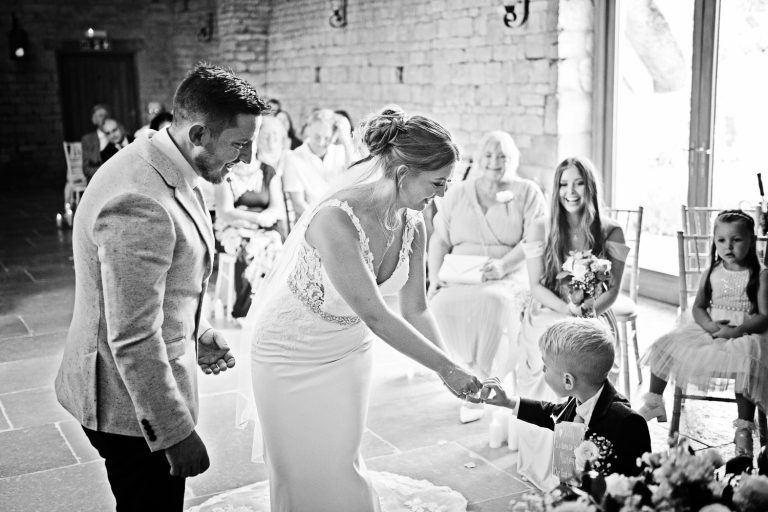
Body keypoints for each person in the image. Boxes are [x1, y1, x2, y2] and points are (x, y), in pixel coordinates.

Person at [243, 105, 481, 511]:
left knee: (341, 462)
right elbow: (376, 314)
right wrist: (448, 370)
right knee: (296, 471)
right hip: (287, 353)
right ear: (404, 175)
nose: (442, 194)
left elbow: (417, 307)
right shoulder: (335, 219)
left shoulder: (414, 223)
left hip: (349, 352)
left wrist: (451, 367)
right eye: (438, 183)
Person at [54, 63, 267, 511]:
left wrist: (197, 328)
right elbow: (132, 334)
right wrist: (174, 434)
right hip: (126, 408)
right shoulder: (139, 200)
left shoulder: (166, 161)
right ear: (198, 135)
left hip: (140, 384)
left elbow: (164, 279)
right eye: (240, 144)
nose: (246, 158)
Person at [427, 131, 546, 424]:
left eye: (502, 155)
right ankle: (464, 372)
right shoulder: (458, 192)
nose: (495, 162)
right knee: (440, 304)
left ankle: (482, 382)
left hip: (508, 275)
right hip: (461, 276)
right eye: (489, 155)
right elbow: (440, 239)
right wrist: (434, 277)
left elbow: (533, 240)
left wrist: (503, 266)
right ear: (479, 159)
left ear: (513, 159)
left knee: (492, 302)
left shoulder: (527, 191)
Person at [638, 209, 768, 458]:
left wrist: (737, 330)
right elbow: (698, 306)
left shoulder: (761, 275)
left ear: (751, 240)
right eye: (721, 240)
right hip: (711, 328)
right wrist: (709, 326)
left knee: (746, 362)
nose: (728, 246)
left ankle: (743, 427)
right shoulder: (712, 271)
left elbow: (764, 316)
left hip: (745, 334)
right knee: (664, 345)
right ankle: (655, 401)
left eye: (736, 240)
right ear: (714, 241)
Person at [517, 157, 627, 402]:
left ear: (591, 188)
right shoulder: (540, 228)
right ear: (556, 189)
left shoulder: (611, 231)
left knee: (590, 350)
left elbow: (614, 288)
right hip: (551, 305)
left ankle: (591, 423)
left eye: (579, 184)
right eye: (564, 184)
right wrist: (566, 309)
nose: (571, 192)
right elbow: (535, 285)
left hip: (594, 310)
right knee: (553, 349)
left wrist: (589, 312)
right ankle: (547, 427)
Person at [481, 318, 651, 476]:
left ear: (568, 380)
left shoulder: (627, 423)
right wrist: (508, 402)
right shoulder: (580, 398)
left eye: (545, 366)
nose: (543, 371)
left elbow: (638, 484)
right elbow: (551, 414)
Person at [214, 115, 288, 318]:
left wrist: (263, 218)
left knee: (274, 244)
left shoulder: (268, 171)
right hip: (232, 228)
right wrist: (255, 218)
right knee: (248, 246)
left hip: (263, 227)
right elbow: (225, 211)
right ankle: (245, 308)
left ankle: (269, 303)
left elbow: (277, 207)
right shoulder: (225, 173)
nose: (243, 150)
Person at [282, 108, 356, 217]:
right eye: (317, 136)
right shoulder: (293, 158)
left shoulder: (341, 152)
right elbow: (298, 204)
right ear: (309, 129)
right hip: (310, 221)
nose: (321, 143)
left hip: (342, 217)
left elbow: (354, 179)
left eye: (327, 138)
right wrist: (323, 221)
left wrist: (345, 140)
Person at [81, 104, 110, 182]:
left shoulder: (115, 136)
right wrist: (106, 171)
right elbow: (86, 169)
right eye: (100, 116)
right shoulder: (87, 140)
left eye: (106, 116)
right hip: (96, 181)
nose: (104, 119)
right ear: (94, 119)